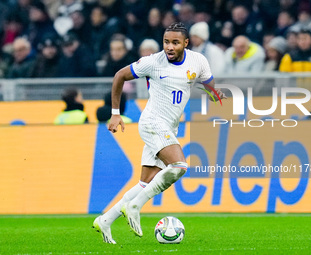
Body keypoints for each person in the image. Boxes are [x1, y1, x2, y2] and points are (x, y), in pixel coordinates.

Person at [92, 22, 225, 244]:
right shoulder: (153, 62)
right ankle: (134, 206)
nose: (169, 47)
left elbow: (209, 85)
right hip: (152, 122)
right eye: (166, 42)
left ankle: (105, 220)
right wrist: (115, 113)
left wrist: (214, 94)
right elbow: (119, 76)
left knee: (146, 182)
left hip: (169, 126)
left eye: (174, 42)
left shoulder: (198, 61)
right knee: (179, 166)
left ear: (185, 43)